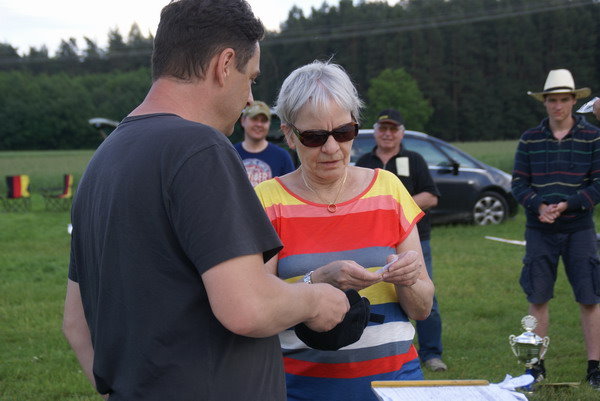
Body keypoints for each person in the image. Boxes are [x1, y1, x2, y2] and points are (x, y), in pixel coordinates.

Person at [61, 2, 350, 400]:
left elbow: (75, 324)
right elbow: (247, 306)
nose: (250, 98)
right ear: (224, 64)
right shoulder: (199, 147)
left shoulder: (103, 160)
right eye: (250, 78)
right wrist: (317, 299)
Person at [254, 60, 435, 401]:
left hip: (397, 387)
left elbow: (422, 309)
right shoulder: (266, 201)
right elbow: (256, 310)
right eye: (314, 136)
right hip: (302, 389)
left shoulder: (388, 189)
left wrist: (407, 278)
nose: (332, 148)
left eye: (343, 132)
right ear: (289, 134)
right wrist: (315, 283)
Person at [512, 68, 600, 390]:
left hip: (580, 228)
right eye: (552, 100)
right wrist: (538, 205)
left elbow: (599, 182)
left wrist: (570, 204)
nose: (558, 106)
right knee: (537, 298)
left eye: (564, 99)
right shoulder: (530, 139)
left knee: (590, 297)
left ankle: (595, 368)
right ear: (544, 102)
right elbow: (518, 182)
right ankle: (535, 367)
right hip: (539, 228)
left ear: (573, 101)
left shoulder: (592, 137)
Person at [355, 109, 446, 372]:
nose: (387, 133)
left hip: (415, 241)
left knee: (425, 294)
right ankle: (372, 348)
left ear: (401, 133)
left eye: (393, 129)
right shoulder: (364, 160)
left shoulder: (414, 159)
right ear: (375, 131)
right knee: (374, 293)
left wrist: (394, 208)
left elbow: (431, 196)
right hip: (374, 244)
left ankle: (431, 354)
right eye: (383, 128)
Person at [234, 100, 295, 186]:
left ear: (269, 124)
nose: (259, 124)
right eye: (254, 119)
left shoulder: (281, 156)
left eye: (264, 120)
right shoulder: (231, 154)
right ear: (243, 121)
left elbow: (290, 190)